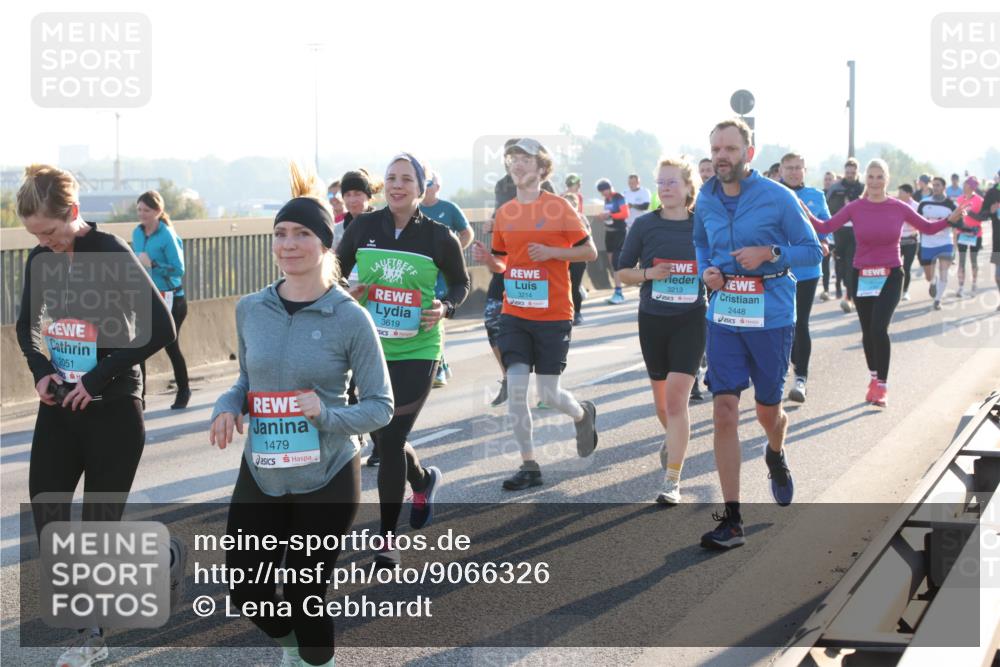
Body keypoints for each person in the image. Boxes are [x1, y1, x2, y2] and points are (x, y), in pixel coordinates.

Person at [210, 163, 393, 667]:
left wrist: (328, 414)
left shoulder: (349, 318)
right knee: (247, 590)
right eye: (280, 234)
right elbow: (248, 382)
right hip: (263, 471)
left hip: (328, 473)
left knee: (303, 593)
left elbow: (381, 406)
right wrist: (228, 406)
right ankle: (294, 650)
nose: (288, 244)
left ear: (326, 245)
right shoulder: (251, 309)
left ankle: (315, 660)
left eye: (301, 234)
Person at [16, 164, 176, 667]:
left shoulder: (111, 251)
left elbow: (161, 329)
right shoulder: (40, 258)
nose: (45, 242)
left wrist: (98, 377)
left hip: (113, 409)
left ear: (74, 214)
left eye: (51, 231)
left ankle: (91, 636)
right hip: (60, 407)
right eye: (36, 235)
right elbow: (26, 327)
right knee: (48, 516)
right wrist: (42, 370)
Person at [693, 118, 823, 550]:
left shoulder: (778, 197)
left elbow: (812, 250)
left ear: (748, 152)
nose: (721, 156)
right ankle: (732, 519)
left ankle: (774, 451)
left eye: (730, 148)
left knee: (768, 411)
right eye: (715, 149)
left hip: (771, 315)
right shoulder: (706, 198)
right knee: (724, 411)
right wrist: (705, 272)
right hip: (725, 314)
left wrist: (770, 252)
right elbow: (700, 244)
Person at [337, 152, 470, 566]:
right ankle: (423, 479)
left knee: (391, 438)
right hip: (369, 349)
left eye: (406, 179)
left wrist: (445, 307)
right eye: (391, 178)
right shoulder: (363, 226)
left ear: (422, 186)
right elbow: (335, 272)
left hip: (418, 349)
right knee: (383, 437)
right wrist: (346, 289)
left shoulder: (439, 236)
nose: (397, 185)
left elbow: (462, 283)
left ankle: (386, 540)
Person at [471, 138, 599, 491]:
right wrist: (489, 261)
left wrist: (552, 251)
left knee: (548, 393)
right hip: (515, 313)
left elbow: (589, 252)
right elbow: (503, 263)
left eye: (526, 159)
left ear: (542, 169)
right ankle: (529, 465)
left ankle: (582, 414)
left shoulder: (559, 208)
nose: (518, 164)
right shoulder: (506, 213)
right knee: (516, 389)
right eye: (513, 158)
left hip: (554, 313)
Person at [806, 159, 965, 407]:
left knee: (879, 328)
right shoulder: (855, 207)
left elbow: (928, 228)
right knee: (868, 331)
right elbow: (825, 226)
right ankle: (872, 377)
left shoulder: (898, 207)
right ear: (865, 179)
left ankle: (882, 385)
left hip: (891, 274)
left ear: (887, 180)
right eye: (871, 176)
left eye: (880, 177)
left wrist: (951, 219)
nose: (875, 181)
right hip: (862, 276)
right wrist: (802, 210)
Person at [615, 158, 705, 504]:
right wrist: (650, 275)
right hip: (653, 318)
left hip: (691, 319)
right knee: (662, 403)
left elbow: (717, 264)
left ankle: (672, 480)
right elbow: (622, 273)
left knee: (677, 398)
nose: (666, 188)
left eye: (673, 182)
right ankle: (674, 438)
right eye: (661, 182)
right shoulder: (644, 227)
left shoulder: (703, 226)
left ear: (687, 187)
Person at [482, 139, 558, 408]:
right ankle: (509, 378)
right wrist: (493, 224)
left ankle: (546, 389)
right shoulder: (502, 185)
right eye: (510, 158)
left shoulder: (543, 184)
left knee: (538, 328)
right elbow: (500, 213)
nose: (514, 162)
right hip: (508, 263)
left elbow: (556, 222)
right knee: (492, 318)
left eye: (520, 157)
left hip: (538, 268)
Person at [132, 191, 191, 409]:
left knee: (171, 346)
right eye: (139, 209)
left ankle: (184, 391)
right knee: (140, 345)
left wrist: (154, 264)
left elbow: (179, 269)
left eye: (146, 210)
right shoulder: (137, 233)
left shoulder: (167, 235)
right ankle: (140, 398)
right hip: (148, 297)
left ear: (158, 211)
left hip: (172, 299)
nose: (142, 214)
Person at [778, 153, 830, 403]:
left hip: (807, 270)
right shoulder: (772, 193)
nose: (794, 172)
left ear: (805, 171)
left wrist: (825, 241)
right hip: (776, 268)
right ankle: (786, 364)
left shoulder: (816, 196)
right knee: (781, 324)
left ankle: (801, 378)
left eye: (798, 168)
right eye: (790, 168)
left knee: (801, 323)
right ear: (780, 170)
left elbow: (826, 226)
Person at [420, 170, 474, 387]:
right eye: (423, 182)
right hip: (420, 272)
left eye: (430, 183)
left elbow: (467, 233)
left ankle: (439, 366)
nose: (426, 186)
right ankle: (441, 362)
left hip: (443, 273)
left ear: (438, 186)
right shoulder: (413, 209)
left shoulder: (449, 209)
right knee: (426, 315)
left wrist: (453, 254)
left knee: (437, 314)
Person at [826, 158, 864, 313]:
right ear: (844, 172)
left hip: (857, 232)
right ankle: (844, 287)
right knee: (840, 265)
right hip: (839, 231)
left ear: (857, 172)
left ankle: (849, 297)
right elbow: (826, 207)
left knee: (851, 264)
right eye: (847, 172)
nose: (850, 175)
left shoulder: (863, 188)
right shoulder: (835, 188)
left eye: (853, 172)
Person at [918, 176, 958, 310]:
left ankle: (938, 299)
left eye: (938, 185)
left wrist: (961, 219)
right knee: (929, 276)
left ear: (944, 187)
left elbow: (961, 216)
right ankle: (933, 282)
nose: (935, 188)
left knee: (944, 271)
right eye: (933, 185)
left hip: (945, 242)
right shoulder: (924, 203)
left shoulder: (951, 204)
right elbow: (916, 220)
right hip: (927, 243)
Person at [970, 168, 1000, 311]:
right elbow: (983, 215)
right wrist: (991, 212)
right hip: (998, 240)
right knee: (998, 275)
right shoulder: (992, 193)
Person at [597, 178, 630, 304]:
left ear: (610, 187)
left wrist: (610, 215)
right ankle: (617, 290)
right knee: (612, 262)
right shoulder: (607, 200)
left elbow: (625, 213)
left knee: (616, 261)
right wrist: (602, 217)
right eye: (602, 191)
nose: (604, 193)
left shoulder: (619, 197)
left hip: (619, 232)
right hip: (609, 232)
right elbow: (609, 214)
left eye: (605, 190)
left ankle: (619, 292)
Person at [564, 173, 589, 325]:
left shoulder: (581, 218)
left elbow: (588, 236)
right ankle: (566, 313)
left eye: (571, 205)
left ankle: (577, 313)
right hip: (564, 256)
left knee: (575, 285)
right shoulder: (557, 217)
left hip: (579, 256)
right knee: (564, 285)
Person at [954, 176, 984, 298]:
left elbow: (982, 218)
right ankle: (961, 287)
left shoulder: (979, 200)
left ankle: (974, 284)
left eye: (966, 183)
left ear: (971, 186)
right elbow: (955, 216)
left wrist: (969, 212)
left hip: (975, 234)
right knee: (961, 261)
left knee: (973, 261)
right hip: (962, 233)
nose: (963, 185)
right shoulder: (960, 198)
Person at [896, 183, 921, 300]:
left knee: (906, 267)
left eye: (901, 192)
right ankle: (895, 290)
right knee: (895, 267)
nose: (898, 195)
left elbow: (921, 222)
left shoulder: (916, 206)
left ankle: (905, 291)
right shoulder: (896, 205)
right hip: (898, 241)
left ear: (908, 194)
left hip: (911, 240)